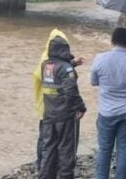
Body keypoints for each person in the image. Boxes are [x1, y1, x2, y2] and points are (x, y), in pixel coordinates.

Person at [91, 27, 126, 179]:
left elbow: (93, 82)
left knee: (104, 149)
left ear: (112, 41)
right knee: (124, 148)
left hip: (106, 112)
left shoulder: (99, 59)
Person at [38, 35, 86, 179]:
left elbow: (58, 72)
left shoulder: (45, 65)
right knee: (66, 150)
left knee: (49, 149)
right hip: (64, 116)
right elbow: (70, 91)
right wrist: (81, 107)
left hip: (49, 115)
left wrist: (72, 63)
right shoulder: (66, 69)